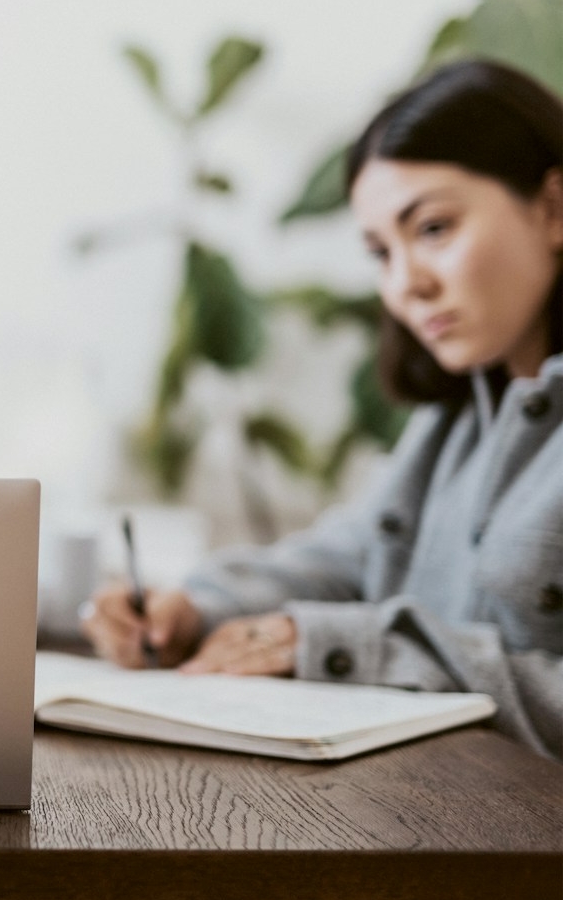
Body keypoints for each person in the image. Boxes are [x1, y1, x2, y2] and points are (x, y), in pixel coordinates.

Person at [81, 59, 563, 761]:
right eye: (379, 252)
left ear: (553, 210)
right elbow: (355, 555)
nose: (406, 284)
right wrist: (198, 604)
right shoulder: (460, 414)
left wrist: (345, 645)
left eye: (432, 229)